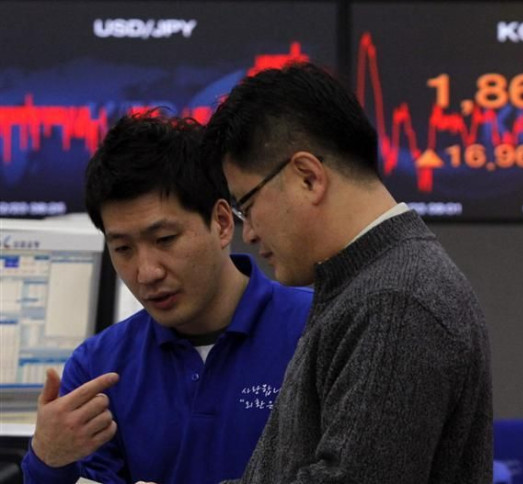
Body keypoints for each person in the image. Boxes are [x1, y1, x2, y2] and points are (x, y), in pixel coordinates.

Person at [202, 63, 493, 483]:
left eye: (246, 204)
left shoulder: (396, 302)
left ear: (308, 178)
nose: (249, 232)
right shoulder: (366, 285)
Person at [20, 112, 313, 484]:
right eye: (123, 248)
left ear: (222, 223)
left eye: (165, 240)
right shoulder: (99, 369)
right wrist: (48, 461)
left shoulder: (317, 329)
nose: (146, 273)